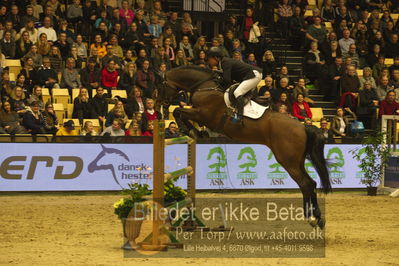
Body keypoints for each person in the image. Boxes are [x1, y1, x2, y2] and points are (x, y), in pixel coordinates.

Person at [207, 47, 262, 124]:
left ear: (216, 58)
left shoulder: (225, 62)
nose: (209, 61)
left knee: (237, 92)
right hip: (251, 75)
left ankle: (239, 117)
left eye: (209, 59)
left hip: (254, 74)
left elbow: (227, 80)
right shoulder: (223, 62)